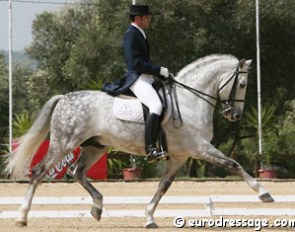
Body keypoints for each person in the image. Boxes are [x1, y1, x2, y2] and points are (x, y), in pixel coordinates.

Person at [102, 5, 169, 163]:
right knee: (156, 106)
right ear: (139, 18)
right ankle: (150, 149)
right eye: (147, 17)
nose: (149, 19)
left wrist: (161, 73)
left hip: (146, 78)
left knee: (165, 102)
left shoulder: (140, 33)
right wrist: (158, 70)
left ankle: (163, 145)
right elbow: (135, 62)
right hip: (137, 78)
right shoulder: (131, 35)